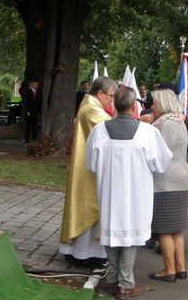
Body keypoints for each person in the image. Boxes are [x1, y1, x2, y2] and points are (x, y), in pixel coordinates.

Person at [86, 87, 172, 299]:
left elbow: (91, 164)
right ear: (135, 106)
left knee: (112, 232)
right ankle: (125, 283)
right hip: (136, 193)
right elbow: (161, 163)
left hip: (110, 192)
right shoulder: (148, 132)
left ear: (114, 105)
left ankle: (112, 280)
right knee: (131, 236)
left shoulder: (99, 131)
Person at [59, 76, 118, 265]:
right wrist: (137, 121)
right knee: (90, 204)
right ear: (100, 93)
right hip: (89, 169)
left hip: (87, 165)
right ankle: (86, 253)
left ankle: (80, 250)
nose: (112, 100)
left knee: (89, 204)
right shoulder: (92, 110)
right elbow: (111, 131)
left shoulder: (90, 106)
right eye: (110, 96)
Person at [148, 88, 188, 283]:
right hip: (181, 176)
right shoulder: (179, 121)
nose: (151, 107)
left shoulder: (165, 124)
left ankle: (169, 270)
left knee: (164, 228)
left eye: (155, 103)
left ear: (163, 104)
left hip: (166, 179)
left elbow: (160, 154)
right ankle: (180, 268)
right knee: (176, 229)